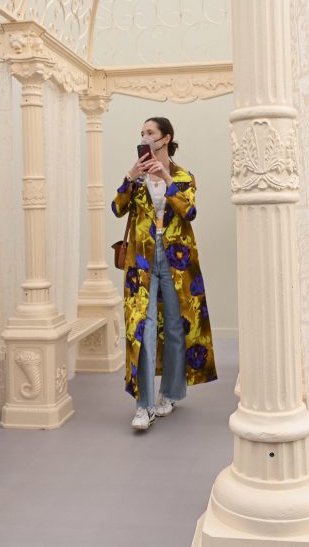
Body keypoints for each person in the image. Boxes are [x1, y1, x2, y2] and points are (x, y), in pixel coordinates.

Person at [112, 117, 217, 430]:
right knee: (141, 329)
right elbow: (117, 209)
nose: (145, 137)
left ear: (166, 138)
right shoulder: (138, 178)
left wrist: (167, 179)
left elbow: (190, 211)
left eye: (150, 132)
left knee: (174, 327)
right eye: (142, 133)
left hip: (176, 260)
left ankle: (169, 394)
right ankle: (143, 406)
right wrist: (131, 176)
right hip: (141, 261)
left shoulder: (183, 176)